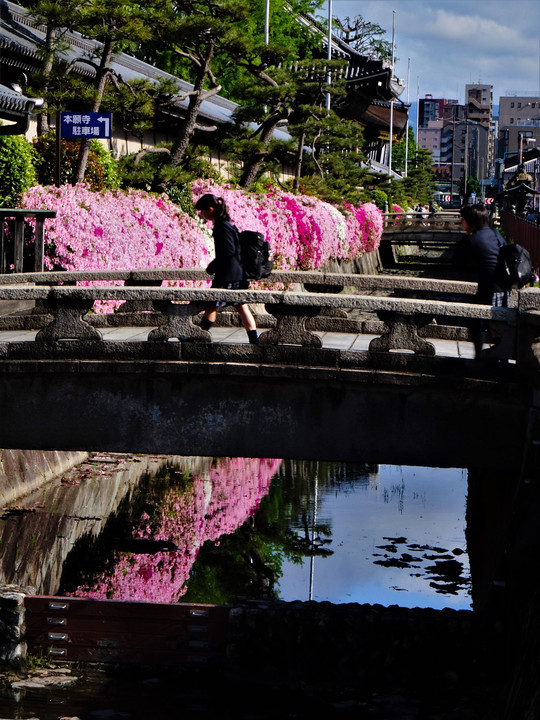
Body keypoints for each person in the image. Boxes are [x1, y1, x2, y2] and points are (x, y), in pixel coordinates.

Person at [194, 193, 259, 344]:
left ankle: (198, 337)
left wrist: (213, 265)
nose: (202, 214)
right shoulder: (227, 224)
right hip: (236, 273)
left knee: (213, 305)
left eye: (203, 211)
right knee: (240, 306)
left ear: (210, 209)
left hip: (227, 274)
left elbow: (228, 252)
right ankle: (254, 340)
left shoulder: (221, 227)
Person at [454, 203, 508, 357]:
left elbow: (457, 262)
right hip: (503, 288)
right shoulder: (494, 232)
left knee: (477, 322)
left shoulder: (471, 239)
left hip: (488, 288)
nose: (461, 222)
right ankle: (500, 357)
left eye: (462, 219)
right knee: (497, 327)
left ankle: (480, 357)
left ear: (470, 221)